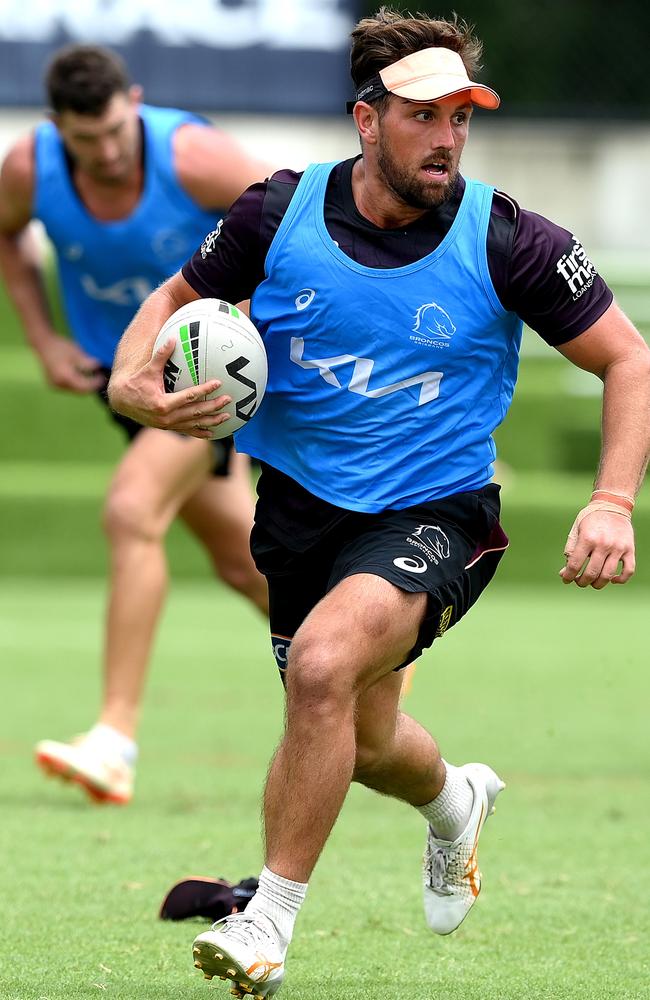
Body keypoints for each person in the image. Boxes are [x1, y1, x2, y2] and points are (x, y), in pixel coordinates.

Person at [107, 8, 650, 995]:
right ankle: (454, 801)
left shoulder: (508, 237)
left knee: (320, 668)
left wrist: (610, 499)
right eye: (421, 115)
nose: (445, 136)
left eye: (460, 116)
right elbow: (174, 298)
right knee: (358, 741)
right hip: (300, 511)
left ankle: (264, 923)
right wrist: (132, 381)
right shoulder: (277, 214)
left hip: (438, 513)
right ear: (366, 120)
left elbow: (626, 358)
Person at [0, 44, 271, 806]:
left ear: (136, 102)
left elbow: (287, 223)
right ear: (58, 130)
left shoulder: (191, 155)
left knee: (130, 512)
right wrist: (43, 336)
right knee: (242, 559)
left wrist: (240, 326)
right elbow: (6, 231)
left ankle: (114, 738)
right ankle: (377, 665)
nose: (109, 152)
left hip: (204, 377)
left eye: (118, 131)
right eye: (88, 141)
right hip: (124, 387)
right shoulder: (28, 167)